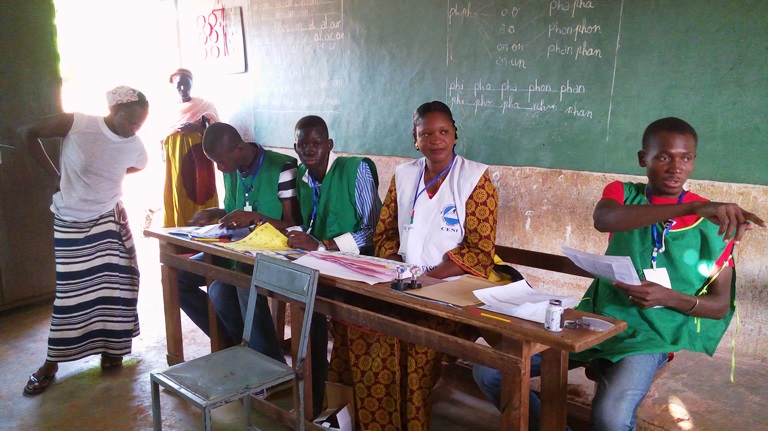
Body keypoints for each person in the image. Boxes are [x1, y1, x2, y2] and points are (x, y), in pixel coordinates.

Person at [473, 117, 766, 431]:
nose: (676, 167)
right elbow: (605, 218)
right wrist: (689, 208)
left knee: (611, 419)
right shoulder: (626, 194)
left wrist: (668, 297)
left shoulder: (713, 220)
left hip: (650, 337)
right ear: (644, 159)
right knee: (489, 370)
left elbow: (720, 306)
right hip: (597, 319)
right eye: (664, 157)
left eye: (686, 158)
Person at [328, 101, 499, 431]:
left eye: (443, 132)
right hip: (403, 284)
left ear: (455, 135)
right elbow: (386, 232)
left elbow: (479, 250)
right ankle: (353, 419)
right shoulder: (405, 175)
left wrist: (429, 278)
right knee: (354, 321)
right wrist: (397, 267)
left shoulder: (475, 178)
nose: (436, 140)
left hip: (451, 291)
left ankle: (409, 422)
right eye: (427, 134)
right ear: (415, 138)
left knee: (411, 340)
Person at [18, 86, 150, 395]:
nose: (135, 129)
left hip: (109, 218)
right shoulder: (77, 124)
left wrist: (106, 176)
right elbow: (28, 132)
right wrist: (56, 176)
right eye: (131, 122)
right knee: (70, 294)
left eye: (141, 123)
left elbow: (135, 165)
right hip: (71, 220)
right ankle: (51, 362)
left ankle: (112, 348)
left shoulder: (134, 143)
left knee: (120, 283)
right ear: (115, 112)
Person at [282, 115, 382, 415]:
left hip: (359, 269)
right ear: (295, 147)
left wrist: (325, 246)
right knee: (305, 312)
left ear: (329, 145)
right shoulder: (302, 177)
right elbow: (308, 225)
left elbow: (372, 229)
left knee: (349, 336)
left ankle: (353, 403)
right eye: (303, 145)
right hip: (322, 268)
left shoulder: (355, 170)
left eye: (316, 144)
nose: (309, 150)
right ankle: (317, 394)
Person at [176, 122, 301, 358]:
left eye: (221, 161)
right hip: (233, 250)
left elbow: (293, 224)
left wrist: (255, 218)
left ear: (239, 149)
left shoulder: (282, 168)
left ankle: (266, 361)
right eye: (215, 162)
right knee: (180, 276)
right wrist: (215, 213)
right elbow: (236, 210)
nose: (220, 167)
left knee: (231, 285)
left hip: (272, 253)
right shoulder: (232, 171)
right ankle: (233, 346)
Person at [161, 68, 220, 227]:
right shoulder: (169, 110)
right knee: (179, 192)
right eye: (179, 85)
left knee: (201, 191)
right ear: (173, 85)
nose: (183, 89)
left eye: (187, 84)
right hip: (176, 160)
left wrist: (196, 129)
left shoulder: (204, 105)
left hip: (199, 158)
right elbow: (163, 136)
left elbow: (217, 133)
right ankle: (179, 234)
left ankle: (206, 232)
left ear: (193, 83)